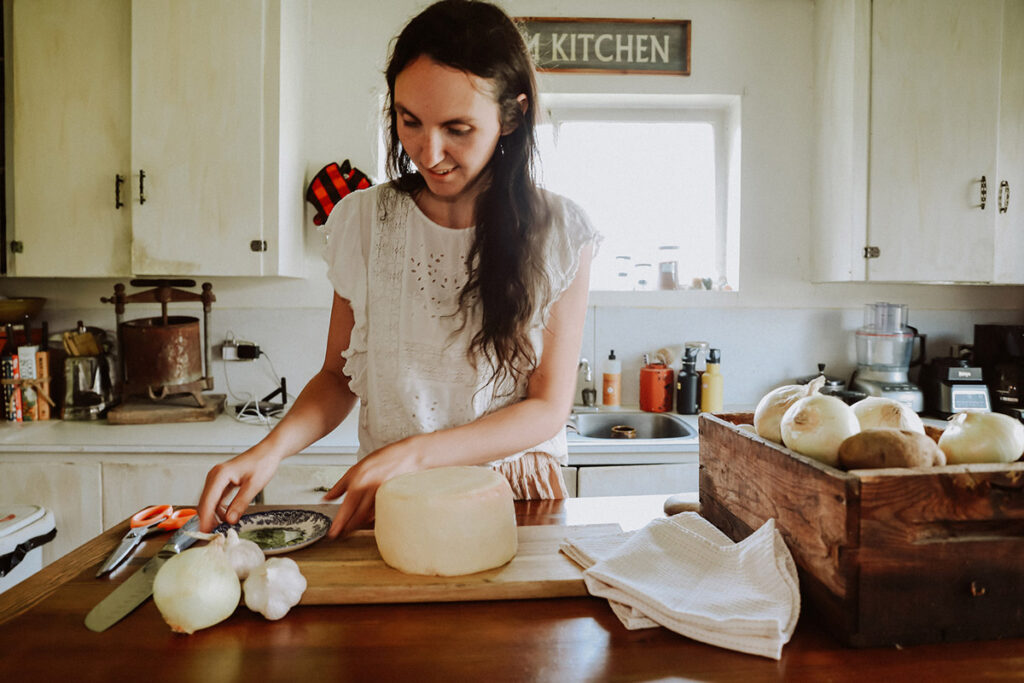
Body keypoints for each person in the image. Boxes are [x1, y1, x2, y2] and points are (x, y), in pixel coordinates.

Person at [197, 0, 598, 539]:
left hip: (514, 498)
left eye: (457, 128)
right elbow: (338, 378)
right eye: (410, 121)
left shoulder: (558, 232)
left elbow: (548, 408)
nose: (429, 153)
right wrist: (268, 452)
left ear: (512, 115)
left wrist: (415, 455)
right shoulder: (361, 221)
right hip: (400, 497)